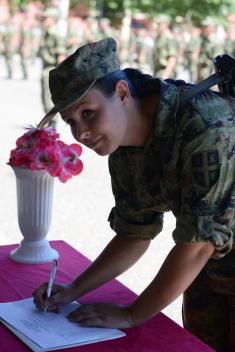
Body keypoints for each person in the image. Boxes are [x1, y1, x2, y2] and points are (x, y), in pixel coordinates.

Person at [34, 37, 235, 352]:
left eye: (88, 113)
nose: (80, 133)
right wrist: (72, 290)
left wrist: (132, 314)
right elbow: (135, 232)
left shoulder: (207, 126)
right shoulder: (123, 146)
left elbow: (199, 246)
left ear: (122, 93)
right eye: (72, 122)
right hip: (210, 268)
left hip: (207, 252)